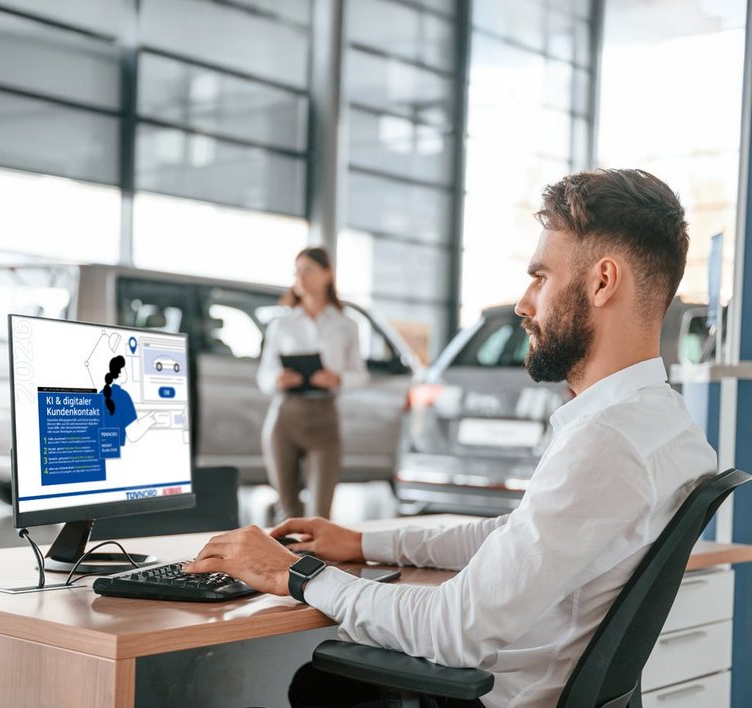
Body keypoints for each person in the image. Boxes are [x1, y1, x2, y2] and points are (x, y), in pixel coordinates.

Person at [184, 169, 717, 708]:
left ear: (603, 282)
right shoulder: (666, 425)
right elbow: (515, 534)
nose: (523, 304)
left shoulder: (606, 441)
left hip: (493, 697)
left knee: (315, 682)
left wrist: (295, 572)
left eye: (541, 277)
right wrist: (364, 543)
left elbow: (452, 629)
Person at [256, 246, 367, 520]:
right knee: (289, 511)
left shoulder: (346, 325)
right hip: (285, 415)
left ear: (327, 275)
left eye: (308, 270)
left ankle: (316, 563)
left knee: (319, 514)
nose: (300, 278)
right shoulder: (281, 325)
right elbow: (264, 376)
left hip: (324, 418)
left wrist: (337, 378)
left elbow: (360, 374)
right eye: (297, 272)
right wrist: (277, 380)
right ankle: (283, 562)